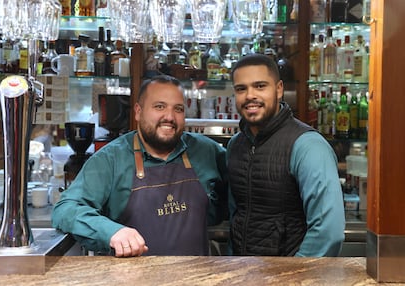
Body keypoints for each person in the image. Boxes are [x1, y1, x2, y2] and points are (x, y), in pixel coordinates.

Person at [52, 75, 228, 257]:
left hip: (195, 278)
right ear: (138, 111)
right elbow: (66, 209)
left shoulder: (206, 152)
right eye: (159, 107)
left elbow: (237, 194)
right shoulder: (111, 159)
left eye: (178, 109)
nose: (169, 117)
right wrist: (110, 231)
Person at [227, 54, 345, 257]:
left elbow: (328, 231)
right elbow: (236, 215)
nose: (250, 96)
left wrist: (293, 278)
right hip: (244, 274)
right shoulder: (235, 145)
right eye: (241, 89)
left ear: (279, 89)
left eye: (260, 86)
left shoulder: (308, 146)